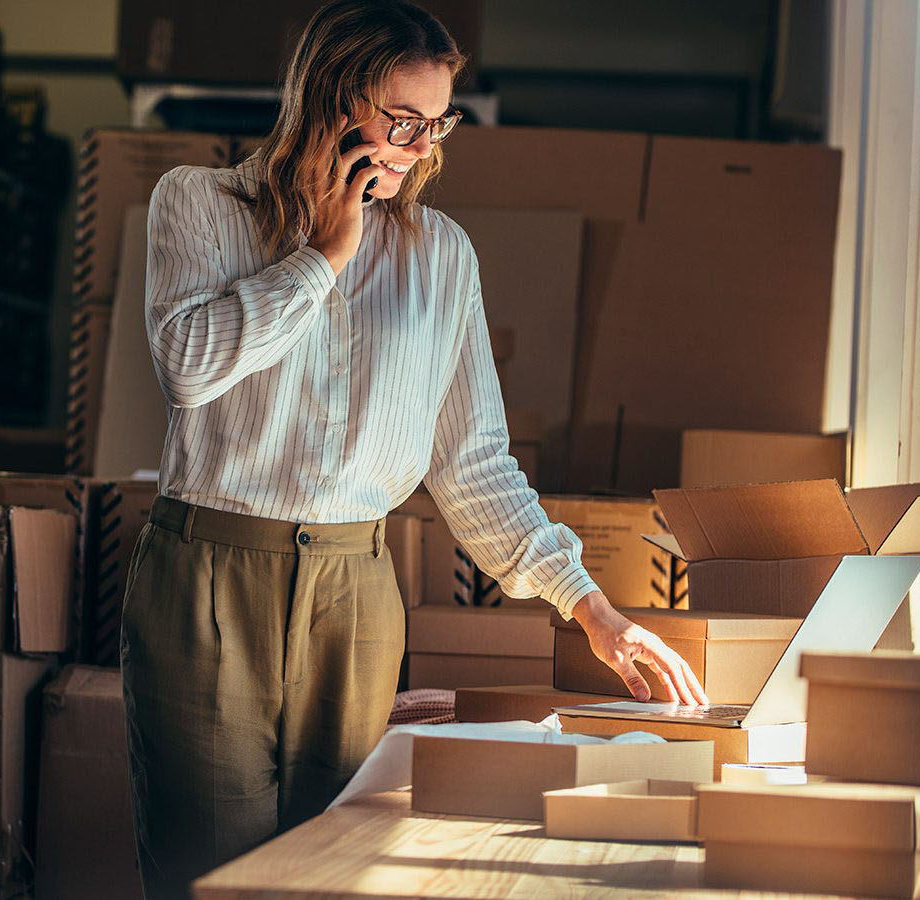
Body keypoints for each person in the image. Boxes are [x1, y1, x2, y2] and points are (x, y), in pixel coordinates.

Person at [117, 1, 711, 897]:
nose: (419, 147)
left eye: (436, 124)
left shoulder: (442, 257)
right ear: (329, 94)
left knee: (339, 866)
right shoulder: (203, 204)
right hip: (208, 581)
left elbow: (473, 463)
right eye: (402, 120)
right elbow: (190, 370)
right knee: (209, 868)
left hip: (357, 594)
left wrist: (591, 608)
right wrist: (323, 255)